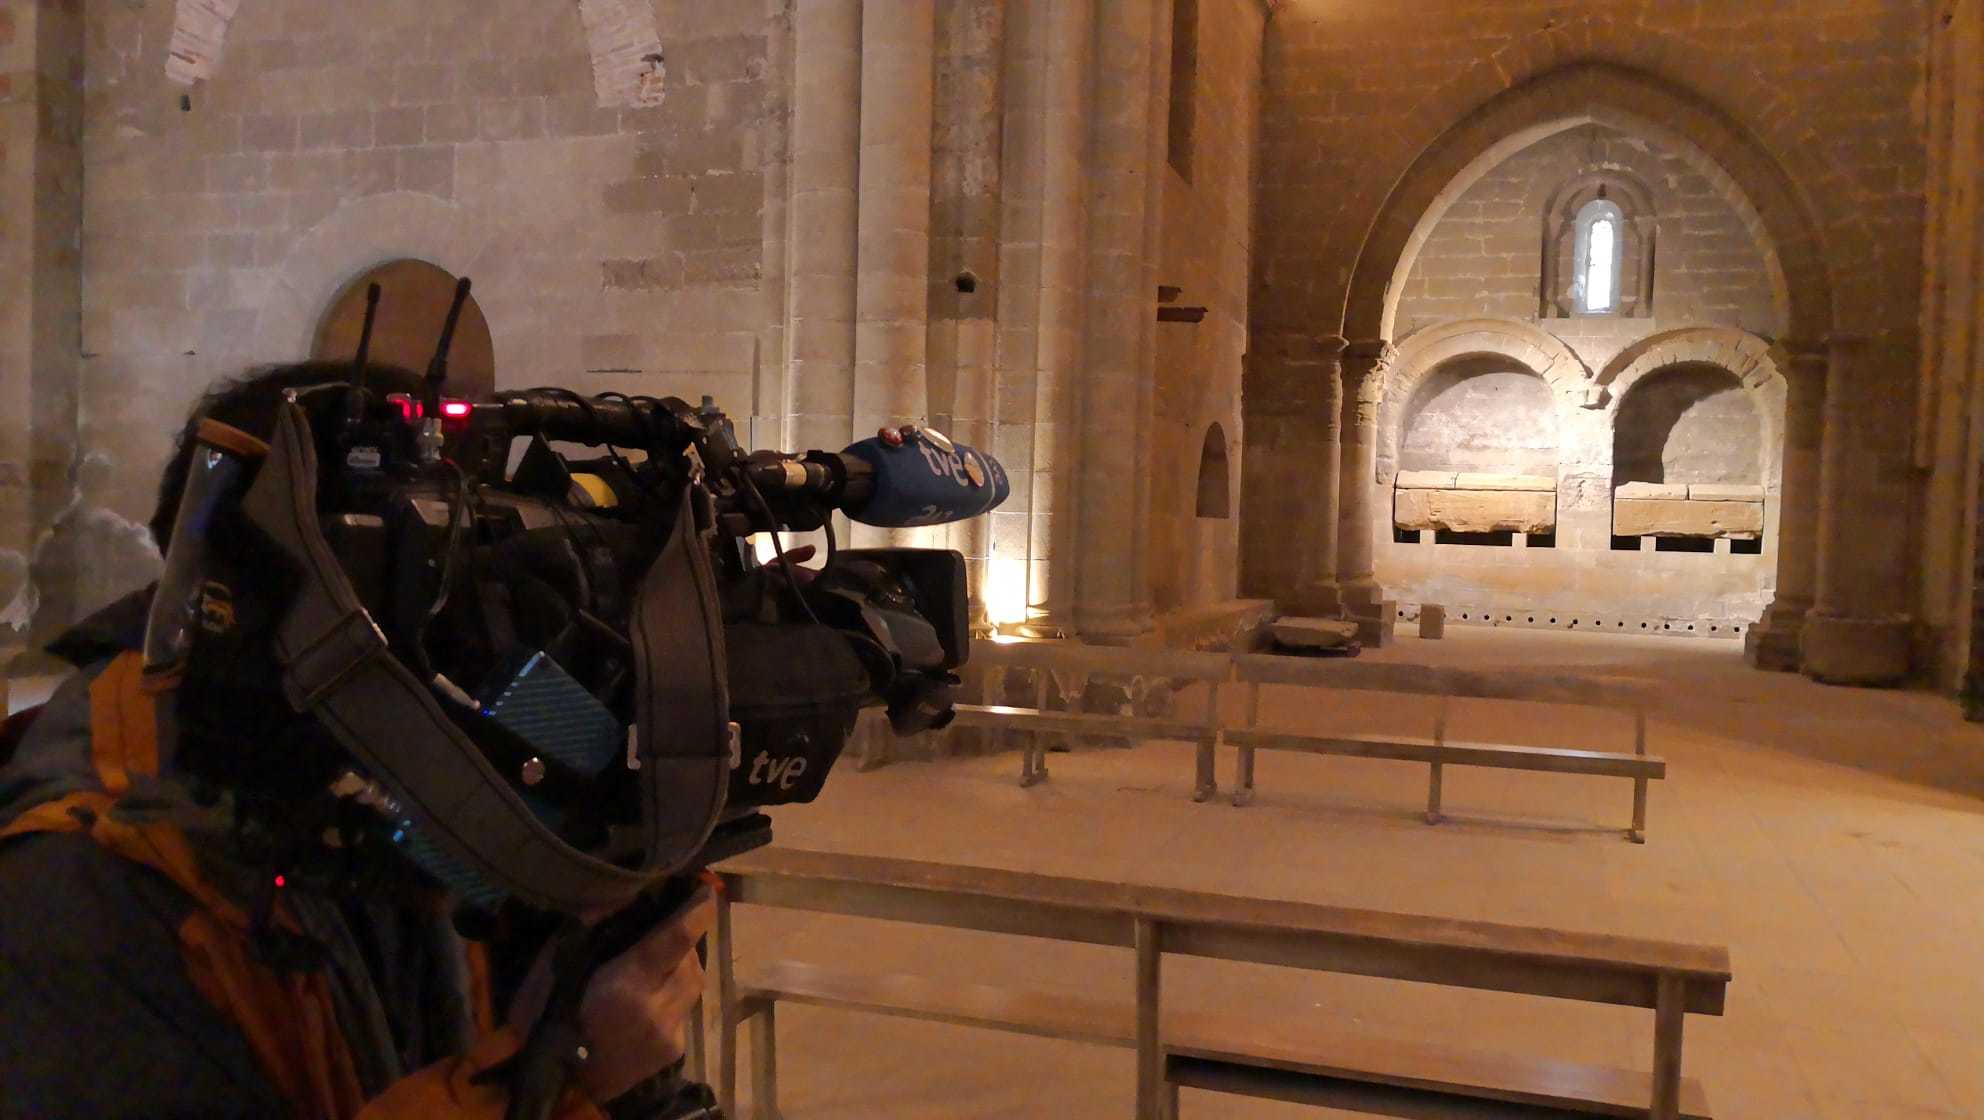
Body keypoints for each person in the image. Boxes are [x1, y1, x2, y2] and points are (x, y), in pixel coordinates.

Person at [0, 362, 716, 1120]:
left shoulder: (355, 791)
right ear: (280, 615)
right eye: (422, 581)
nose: (472, 646)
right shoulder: (78, 903)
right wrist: (560, 1084)